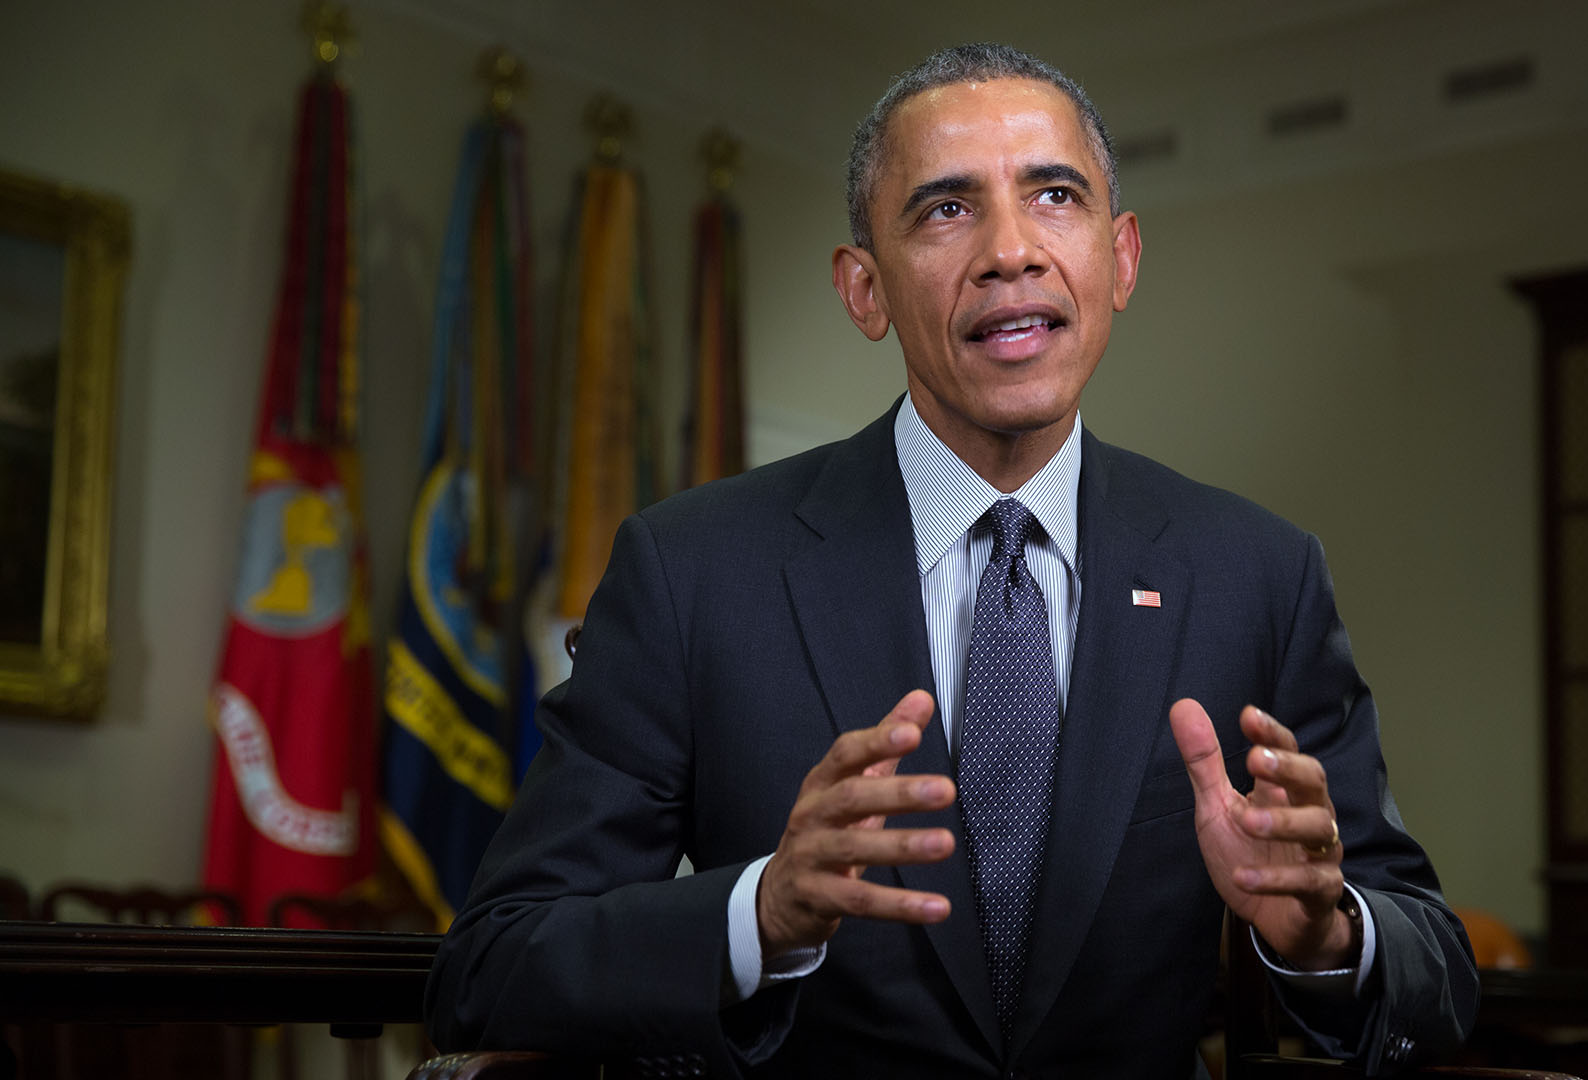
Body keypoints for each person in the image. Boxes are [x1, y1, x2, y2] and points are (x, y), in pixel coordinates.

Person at [426, 43, 1476, 1078]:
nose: (1011, 250)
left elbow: (1439, 966)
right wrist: (762, 910)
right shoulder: (692, 572)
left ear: (1122, 260)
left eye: (1055, 195)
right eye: (946, 208)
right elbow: (492, 964)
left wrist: (1327, 935)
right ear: (865, 290)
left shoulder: (1258, 575)